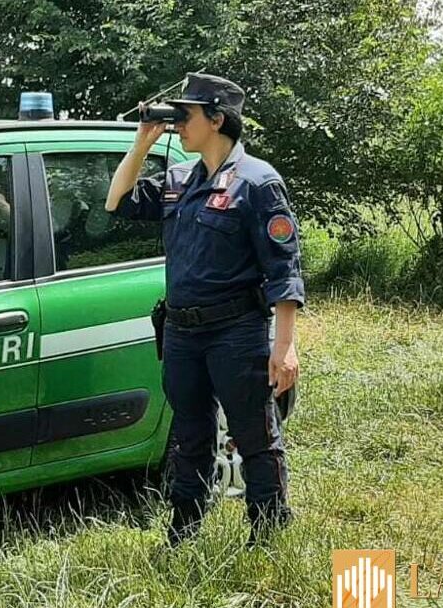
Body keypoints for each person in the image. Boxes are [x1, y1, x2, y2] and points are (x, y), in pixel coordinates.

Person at [104, 72, 304, 546]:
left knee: (254, 434)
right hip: (182, 333)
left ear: (216, 120)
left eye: (185, 115)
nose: (177, 125)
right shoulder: (179, 179)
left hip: (236, 331)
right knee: (189, 435)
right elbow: (117, 202)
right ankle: (184, 531)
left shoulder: (258, 182)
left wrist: (285, 346)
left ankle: (268, 532)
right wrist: (141, 142)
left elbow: (284, 268)